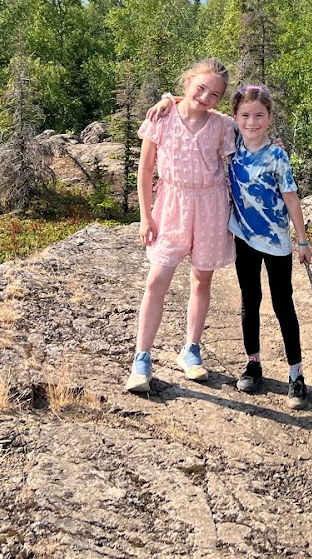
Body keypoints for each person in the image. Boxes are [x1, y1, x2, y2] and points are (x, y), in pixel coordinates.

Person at [126, 58, 237, 394]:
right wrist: (146, 216)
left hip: (211, 205)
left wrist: (271, 146)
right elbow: (146, 169)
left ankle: (191, 350)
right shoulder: (161, 118)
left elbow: (249, 132)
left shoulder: (221, 125)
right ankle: (142, 359)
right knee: (156, 280)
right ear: (187, 82)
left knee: (202, 279)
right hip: (171, 204)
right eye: (200, 88)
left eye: (215, 94)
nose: (205, 97)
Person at [226, 84, 311, 409]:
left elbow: (291, 198)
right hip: (244, 239)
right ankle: (253, 364)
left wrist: (302, 240)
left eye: (259, 115)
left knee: (283, 305)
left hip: (277, 243)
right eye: (245, 115)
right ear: (236, 117)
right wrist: (170, 100)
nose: (252, 122)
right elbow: (199, 107)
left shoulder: (277, 155)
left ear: (270, 117)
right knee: (250, 300)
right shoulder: (232, 143)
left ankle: (296, 374)